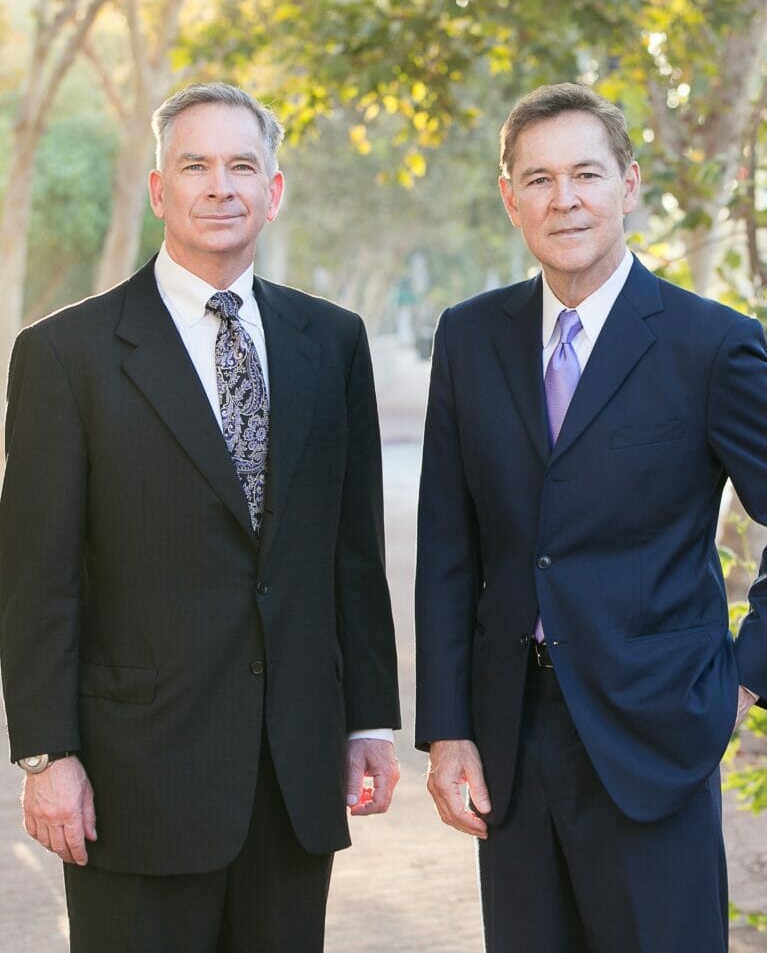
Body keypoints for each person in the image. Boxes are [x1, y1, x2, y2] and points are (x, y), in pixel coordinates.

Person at [0, 82, 400, 952]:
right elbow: (38, 578)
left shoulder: (330, 341)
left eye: (241, 166)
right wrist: (46, 756)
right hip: (133, 779)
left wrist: (368, 719)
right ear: (158, 191)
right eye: (195, 165)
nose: (220, 186)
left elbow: (352, 550)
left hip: (291, 773)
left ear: (273, 190)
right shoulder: (66, 356)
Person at [415, 82, 767, 953]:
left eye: (584, 174)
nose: (562, 199)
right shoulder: (468, 337)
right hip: (510, 739)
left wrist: (740, 682)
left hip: (655, 731)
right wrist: (448, 728)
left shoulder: (711, 346)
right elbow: (447, 547)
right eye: (536, 179)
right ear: (508, 197)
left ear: (628, 185)